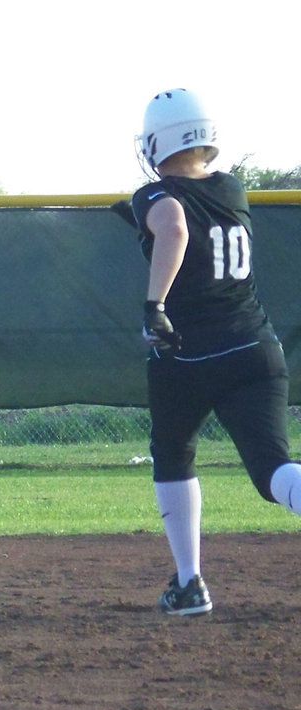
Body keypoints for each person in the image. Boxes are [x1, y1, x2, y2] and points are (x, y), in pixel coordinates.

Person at [123, 88, 301, 616]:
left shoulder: (151, 195)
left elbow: (176, 224)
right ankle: (189, 584)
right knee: (273, 471)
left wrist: (155, 305)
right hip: (257, 346)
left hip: (189, 353)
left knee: (173, 453)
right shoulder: (234, 189)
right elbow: (197, 220)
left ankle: (190, 583)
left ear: (159, 142)